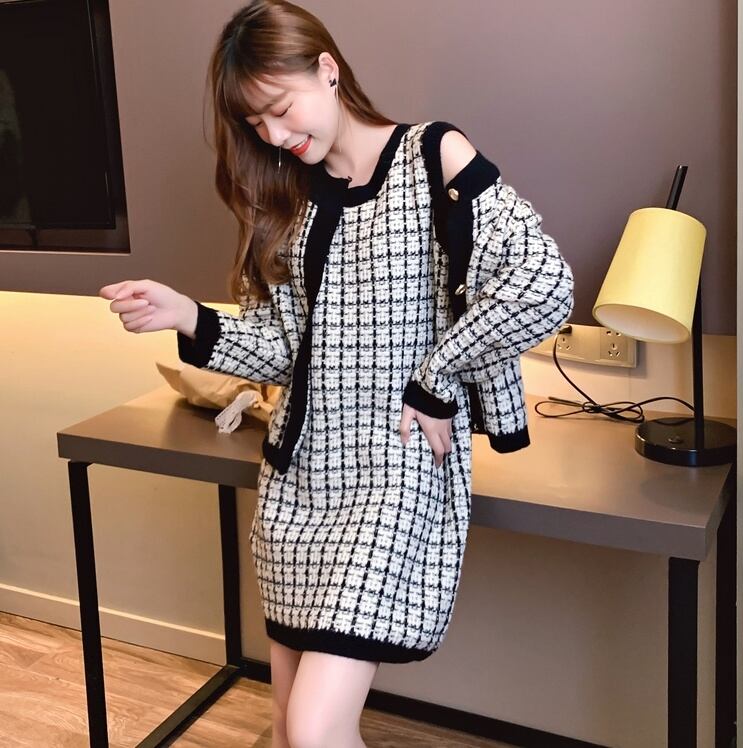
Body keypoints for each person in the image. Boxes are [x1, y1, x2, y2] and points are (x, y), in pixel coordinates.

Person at [100, 2, 574, 746]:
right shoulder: (291, 197)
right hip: (300, 480)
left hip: (395, 469)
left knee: (316, 726)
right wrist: (187, 316)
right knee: (291, 727)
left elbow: (544, 285)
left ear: (326, 68)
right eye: (256, 124)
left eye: (280, 108)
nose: (274, 136)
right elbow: (286, 350)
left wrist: (436, 376)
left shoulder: (434, 157)